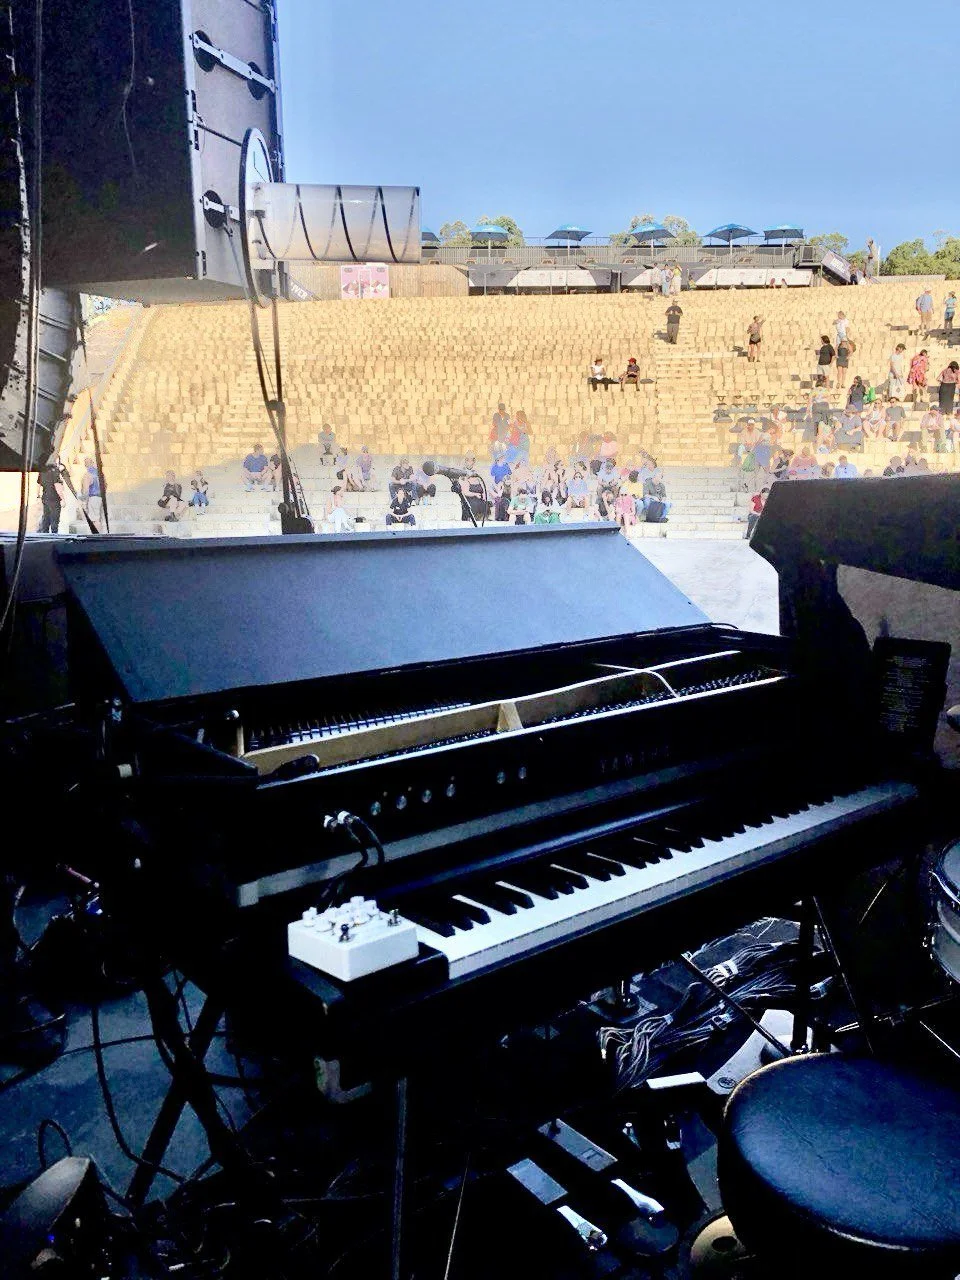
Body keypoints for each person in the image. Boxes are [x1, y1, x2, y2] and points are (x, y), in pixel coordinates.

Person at [36, 455, 65, 533]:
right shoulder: (55, 471)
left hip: (45, 497)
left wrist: (38, 495)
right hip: (54, 498)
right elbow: (57, 485)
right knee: (55, 521)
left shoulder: (43, 470)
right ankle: (54, 538)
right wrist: (62, 499)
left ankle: (45, 537)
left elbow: (38, 484)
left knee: (46, 519)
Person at [80, 456, 103, 526]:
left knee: (94, 520)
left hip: (93, 498)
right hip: (100, 498)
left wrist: (84, 502)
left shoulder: (87, 474)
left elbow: (86, 490)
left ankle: (96, 536)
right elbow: (105, 485)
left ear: (86, 464)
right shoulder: (100, 474)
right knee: (98, 519)